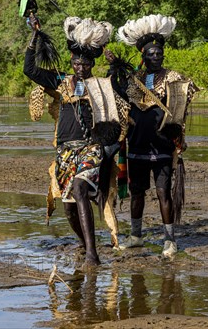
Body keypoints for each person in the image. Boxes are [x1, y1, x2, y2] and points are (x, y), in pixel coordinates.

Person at [23, 16, 129, 266]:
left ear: (92, 64)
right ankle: (85, 242)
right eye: (76, 63)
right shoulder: (61, 82)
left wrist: (117, 66)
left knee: (80, 189)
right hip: (65, 152)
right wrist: (36, 35)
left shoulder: (102, 85)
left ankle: (93, 254)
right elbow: (29, 69)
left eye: (85, 64)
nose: (80, 68)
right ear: (71, 62)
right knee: (69, 207)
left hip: (91, 149)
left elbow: (125, 91)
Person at [114, 14, 197, 258]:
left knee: (163, 191)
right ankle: (136, 235)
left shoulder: (173, 78)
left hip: (162, 145)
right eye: (151, 53)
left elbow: (183, 102)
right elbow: (123, 101)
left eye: (159, 53)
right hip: (137, 144)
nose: (156, 56)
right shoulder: (135, 79)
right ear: (143, 56)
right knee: (137, 192)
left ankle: (169, 240)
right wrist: (116, 67)